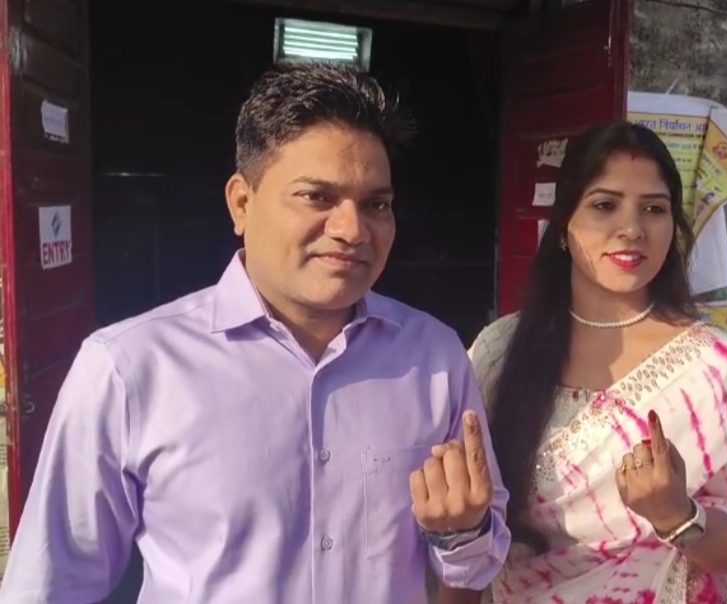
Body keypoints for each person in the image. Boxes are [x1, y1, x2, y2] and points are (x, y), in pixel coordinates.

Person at [0, 63, 509, 604]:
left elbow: (477, 557)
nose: (352, 229)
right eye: (317, 197)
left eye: (375, 205)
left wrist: (461, 531)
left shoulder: (433, 357)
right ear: (242, 203)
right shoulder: (129, 368)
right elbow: (51, 584)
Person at [437, 122, 727, 603]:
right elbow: (466, 535)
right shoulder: (498, 351)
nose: (632, 229)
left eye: (654, 209)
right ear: (564, 225)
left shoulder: (713, 369)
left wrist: (678, 517)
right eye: (604, 205)